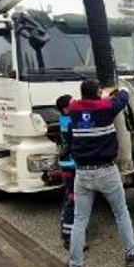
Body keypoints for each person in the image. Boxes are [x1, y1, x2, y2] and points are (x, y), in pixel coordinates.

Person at [66, 79, 134, 267]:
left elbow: (81, 103)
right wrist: (117, 89)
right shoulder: (106, 109)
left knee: (80, 219)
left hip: (82, 173)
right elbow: (124, 96)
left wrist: (101, 94)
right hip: (106, 172)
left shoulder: (73, 110)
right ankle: (131, 253)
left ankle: (74, 266)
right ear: (97, 94)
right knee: (120, 213)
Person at [55, 94, 78, 250]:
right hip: (71, 165)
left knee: (69, 196)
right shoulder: (69, 121)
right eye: (72, 103)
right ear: (65, 108)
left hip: (66, 164)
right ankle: (69, 237)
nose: (75, 104)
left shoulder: (64, 119)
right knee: (73, 199)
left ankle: (66, 224)